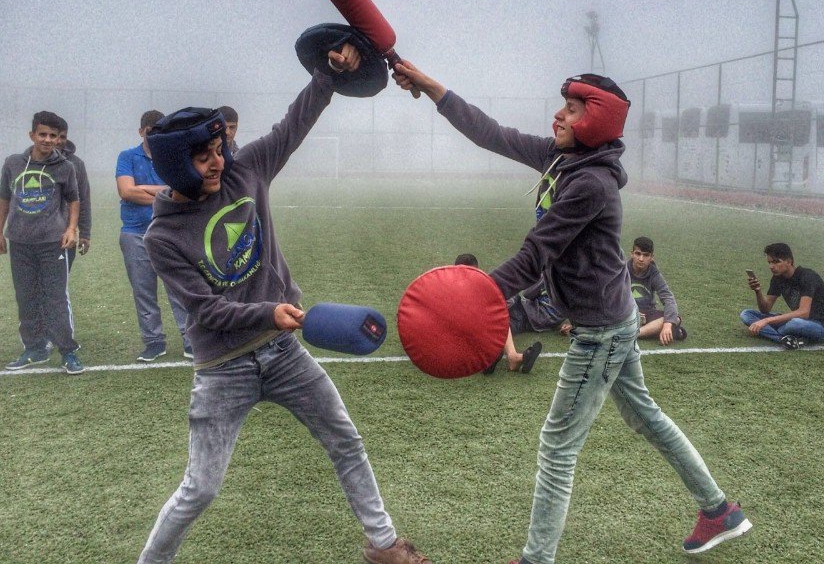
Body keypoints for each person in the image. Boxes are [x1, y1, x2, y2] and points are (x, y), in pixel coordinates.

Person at [393, 63, 751, 561]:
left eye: (572, 110)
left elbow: (535, 255)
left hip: (601, 330)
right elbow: (489, 133)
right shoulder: (561, 159)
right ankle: (719, 511)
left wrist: (468, 298)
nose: (558, 116)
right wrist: (433, 88)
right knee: (645, 416)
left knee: (558, 448)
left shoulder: (592, 184)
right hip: (614, 317)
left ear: (595, 122)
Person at [136, 45, 430, 564]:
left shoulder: (244, 171)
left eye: (218, 150)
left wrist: (329, 74)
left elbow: (293, 125)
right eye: (203, 158)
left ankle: (383, 546)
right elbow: (205, 310)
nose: (216, 164)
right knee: (201, 488)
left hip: (283, 353)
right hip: (223, 368)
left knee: (346, 440)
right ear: (174, 163)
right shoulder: (162, 235)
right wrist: (266, 313)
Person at [0, 111, 84, 374]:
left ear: (59, 140)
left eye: (53, 136)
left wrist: (71, 228)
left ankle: (68, 351)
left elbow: (74, 200)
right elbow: (3, 199)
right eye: (42, 134)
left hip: (52, 243)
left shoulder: (65, 167)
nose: (47, 140)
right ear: (32, 135)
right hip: (20, 242)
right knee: (26, 296)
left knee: (55, 298)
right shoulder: (13, 163)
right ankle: (34, 349)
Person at [115, 110, 192, 362]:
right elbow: (126, 192)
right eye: (150, 131)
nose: (154, 136)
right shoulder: (127, 157)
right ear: (141, 131)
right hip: (134, 233)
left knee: (179, 290)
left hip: (169, 232)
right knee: (143, 291)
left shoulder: (173, 157)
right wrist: (165, 194)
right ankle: (153, 342)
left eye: (160, 131)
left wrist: (145, 191)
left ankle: (190, 341)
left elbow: (183, 191)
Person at [454, 253, 542, 374]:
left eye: (472, 272)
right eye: (465, 273)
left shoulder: (484, 284)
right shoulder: (450, 289)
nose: (469, 277)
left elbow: (504, 302)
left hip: (485, 325)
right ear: (456, 272)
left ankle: (512, 357)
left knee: (499, 317)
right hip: (459, 332)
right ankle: (487, 358)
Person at [741, 242, 824, 349]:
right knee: (746, 314)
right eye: (769, 262)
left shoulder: (807, 277)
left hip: (820, 326)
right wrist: (757, 291)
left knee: (795, 323)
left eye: (776, 262)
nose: (771, 266)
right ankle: (785, 339)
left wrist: (766, 321)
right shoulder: (777, 278)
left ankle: (777, 334)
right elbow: (765, 309)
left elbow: (804, 312)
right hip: (796, 320)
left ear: (789, 261)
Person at [628, 236, 687, 345]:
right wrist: (632, 311)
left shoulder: (654, 274)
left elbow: (668, 299)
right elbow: (612, 296)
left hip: (647, 315)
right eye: (638, 254)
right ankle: (660, 331)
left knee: (675, 319)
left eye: (646, 255)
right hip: (625, 312)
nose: (641, 258)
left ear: (651, 257)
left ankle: (635, 334)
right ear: (632, 254)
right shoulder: (622, 271)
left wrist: (667, 324)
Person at [57, 118, 91, 267]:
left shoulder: (76, 164)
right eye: (52, 135)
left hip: (65, 235)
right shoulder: (30, 163)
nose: (56, 141)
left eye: (62, 136)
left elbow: (83, 199)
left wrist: (85, 233)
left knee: (59, 285)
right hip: (34, 237)